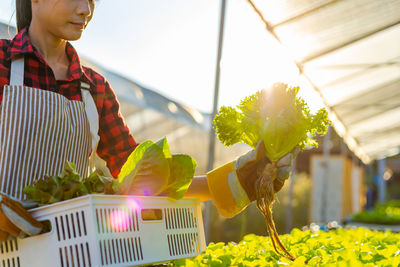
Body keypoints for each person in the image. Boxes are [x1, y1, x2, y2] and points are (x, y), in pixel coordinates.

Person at [0, 0, 296, 241]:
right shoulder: (2, 62)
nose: (86, 10)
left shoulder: (94, 88)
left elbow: (140, 175)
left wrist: (240, 179)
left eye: (91, 0)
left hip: (69, 248)